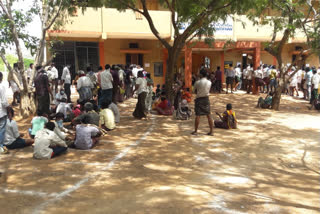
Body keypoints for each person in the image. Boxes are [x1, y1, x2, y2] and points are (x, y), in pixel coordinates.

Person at [192, 69, 213, 136]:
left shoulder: (197, 82)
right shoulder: (209, 82)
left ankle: (195, 131)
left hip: (199, 99)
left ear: (200, 74)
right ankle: (211, 131)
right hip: (206, 99)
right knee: (208, 115)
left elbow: (193, 90)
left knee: (198, 115)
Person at [0, 72, 9, 154]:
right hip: (1, 112)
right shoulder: (1, 87)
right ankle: (0, 146)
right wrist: (8, 108)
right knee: (2, 130)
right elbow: (4, 102)